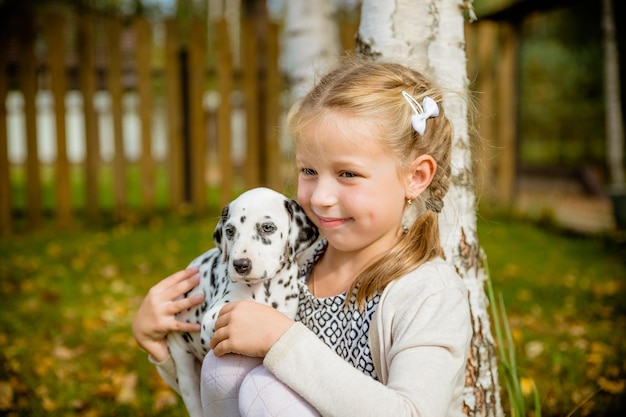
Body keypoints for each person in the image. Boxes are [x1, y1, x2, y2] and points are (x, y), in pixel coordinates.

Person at [133, 60, 472, 417]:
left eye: (348, 173)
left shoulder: (429, 294)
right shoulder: (289, 259)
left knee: (263, 384)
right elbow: (222, 395)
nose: (321, 196)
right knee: (226, 366)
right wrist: (161, 345)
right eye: (308, 170)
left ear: (416, 176)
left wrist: (282, 341)